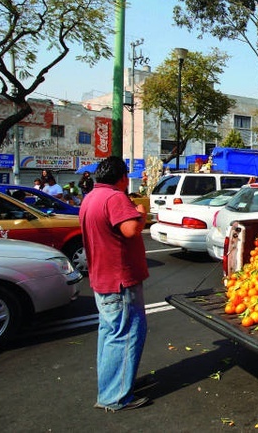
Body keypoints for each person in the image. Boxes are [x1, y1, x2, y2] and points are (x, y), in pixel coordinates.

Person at [79, 156, 150, 411]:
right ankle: (115, 396)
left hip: (102, 278)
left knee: (110, 334)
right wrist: (141, 214)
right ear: (121, 178)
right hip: (120, 281)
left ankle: (114, 385)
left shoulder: (90, 197)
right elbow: (131, 229)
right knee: (126, 334)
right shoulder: (115, 197)